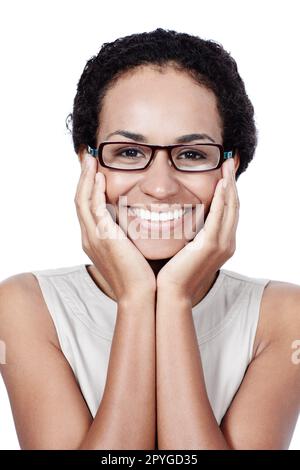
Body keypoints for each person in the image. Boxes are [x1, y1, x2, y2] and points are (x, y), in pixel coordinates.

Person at [0, 27, 299, 450]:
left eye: (192, 155)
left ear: (231, 167)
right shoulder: (25, 305)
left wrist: (173, 298)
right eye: (128, 152)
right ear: (88, 162)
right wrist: (137, 298)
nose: (160, 186)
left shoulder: (285, 317)